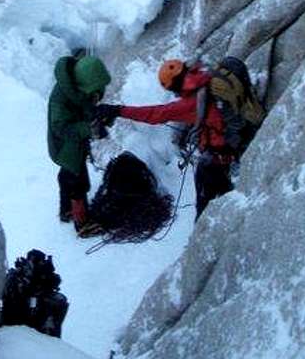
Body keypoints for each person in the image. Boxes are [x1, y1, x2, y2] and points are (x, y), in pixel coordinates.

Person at [96, 59, 238, 220]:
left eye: (172, 89)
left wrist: (118, 110)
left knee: (205, 203)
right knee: (222, 191)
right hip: (226, 149)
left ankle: (205, 235)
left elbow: (157, 113)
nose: (176, 94)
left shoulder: (193, 102)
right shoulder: (205, 79)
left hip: (216, 157)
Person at [47, 53, 111, 237]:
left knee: (67, 175)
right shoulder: (61, 98)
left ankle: (66, 209)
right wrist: (89, 129)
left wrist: (97, 115)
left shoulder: (76, 87)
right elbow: (61, 127)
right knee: (78, 182)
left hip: (73, 145)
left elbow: (85, 104)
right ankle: (82, 223)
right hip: (65, 148)